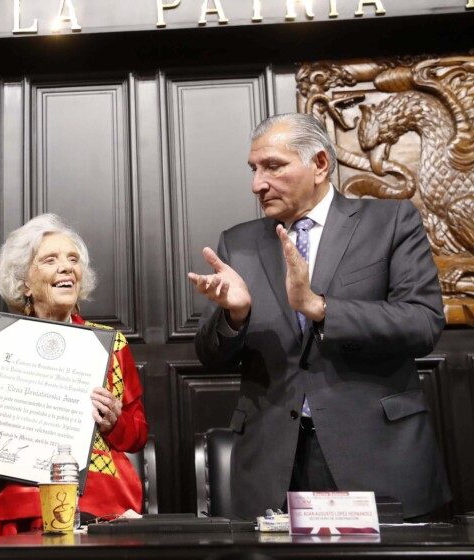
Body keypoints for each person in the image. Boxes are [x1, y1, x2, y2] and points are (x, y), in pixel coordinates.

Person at [191, 113, 450, 521]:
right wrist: (235, 317)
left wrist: (322, 308)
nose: (257, 183)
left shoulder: (390, 222)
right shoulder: (238, 243)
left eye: (273, 166)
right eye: (254, 169)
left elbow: (422, 323)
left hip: (375, 451)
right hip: (273, 461)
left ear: (320, 165)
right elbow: (210, 356)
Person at [0, 213, 148, 535]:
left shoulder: (111, 344)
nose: (67, 267)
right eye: (50, 260)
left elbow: (137, 436)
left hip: (96, 498)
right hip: (15, 498)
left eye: (73, 259)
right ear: (24, 282)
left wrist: (115, 421)